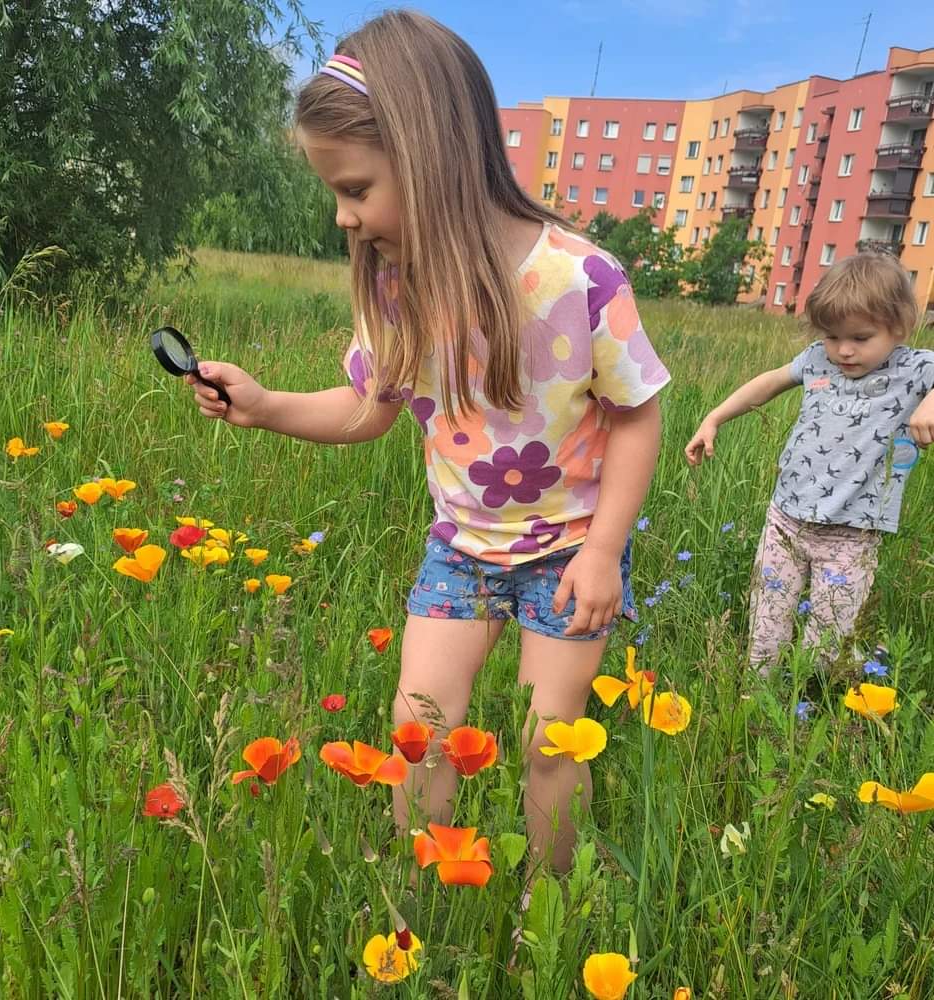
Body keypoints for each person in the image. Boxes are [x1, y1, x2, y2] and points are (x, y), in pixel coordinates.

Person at [187, 10, 668, 874]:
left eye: (357, 188)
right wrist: (266, 404)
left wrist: (604, 552)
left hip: (568, 556)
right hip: (461, 549)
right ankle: (424, 898)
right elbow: (368, 407)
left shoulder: (579, 278)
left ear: (431, 155)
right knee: (419, 732)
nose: (343, 217)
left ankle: (544, 911)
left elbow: (637, 414)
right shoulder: (400, 288)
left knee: (550, 743)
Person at [685, 253, 934, 669]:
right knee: (764, 635)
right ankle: (756, 707)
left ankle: (858, 665)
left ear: (900, 326)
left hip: (852, 534)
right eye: (832, 336)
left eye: (860, 337)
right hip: (786, 519)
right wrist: (714, 418)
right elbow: (768, 383)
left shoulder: (914, 368)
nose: (843, 350)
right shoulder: (818, 359)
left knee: (824, 652)